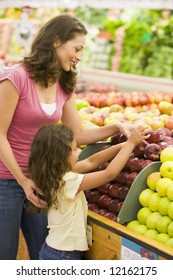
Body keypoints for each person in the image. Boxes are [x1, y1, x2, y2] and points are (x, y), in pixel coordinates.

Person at [0, 13, 144, 260]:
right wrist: (23, 181)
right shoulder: (16, 77)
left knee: (42, 254)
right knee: (4, 255)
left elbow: (77, 135)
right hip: (5, 180)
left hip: (43, 181)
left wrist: (116, 126)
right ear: (56, 41)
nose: (79, 56)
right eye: (77, 48)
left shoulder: (62, 84)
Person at [28, 123, 150, 260]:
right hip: (63, 255)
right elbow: (109, 174)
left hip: (54, 249)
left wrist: (124, 146)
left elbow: (90, 162)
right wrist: (131, 143)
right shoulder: (67, 180)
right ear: (61, 155)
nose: (78, 152)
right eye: (74, 149)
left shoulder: (53, 175)